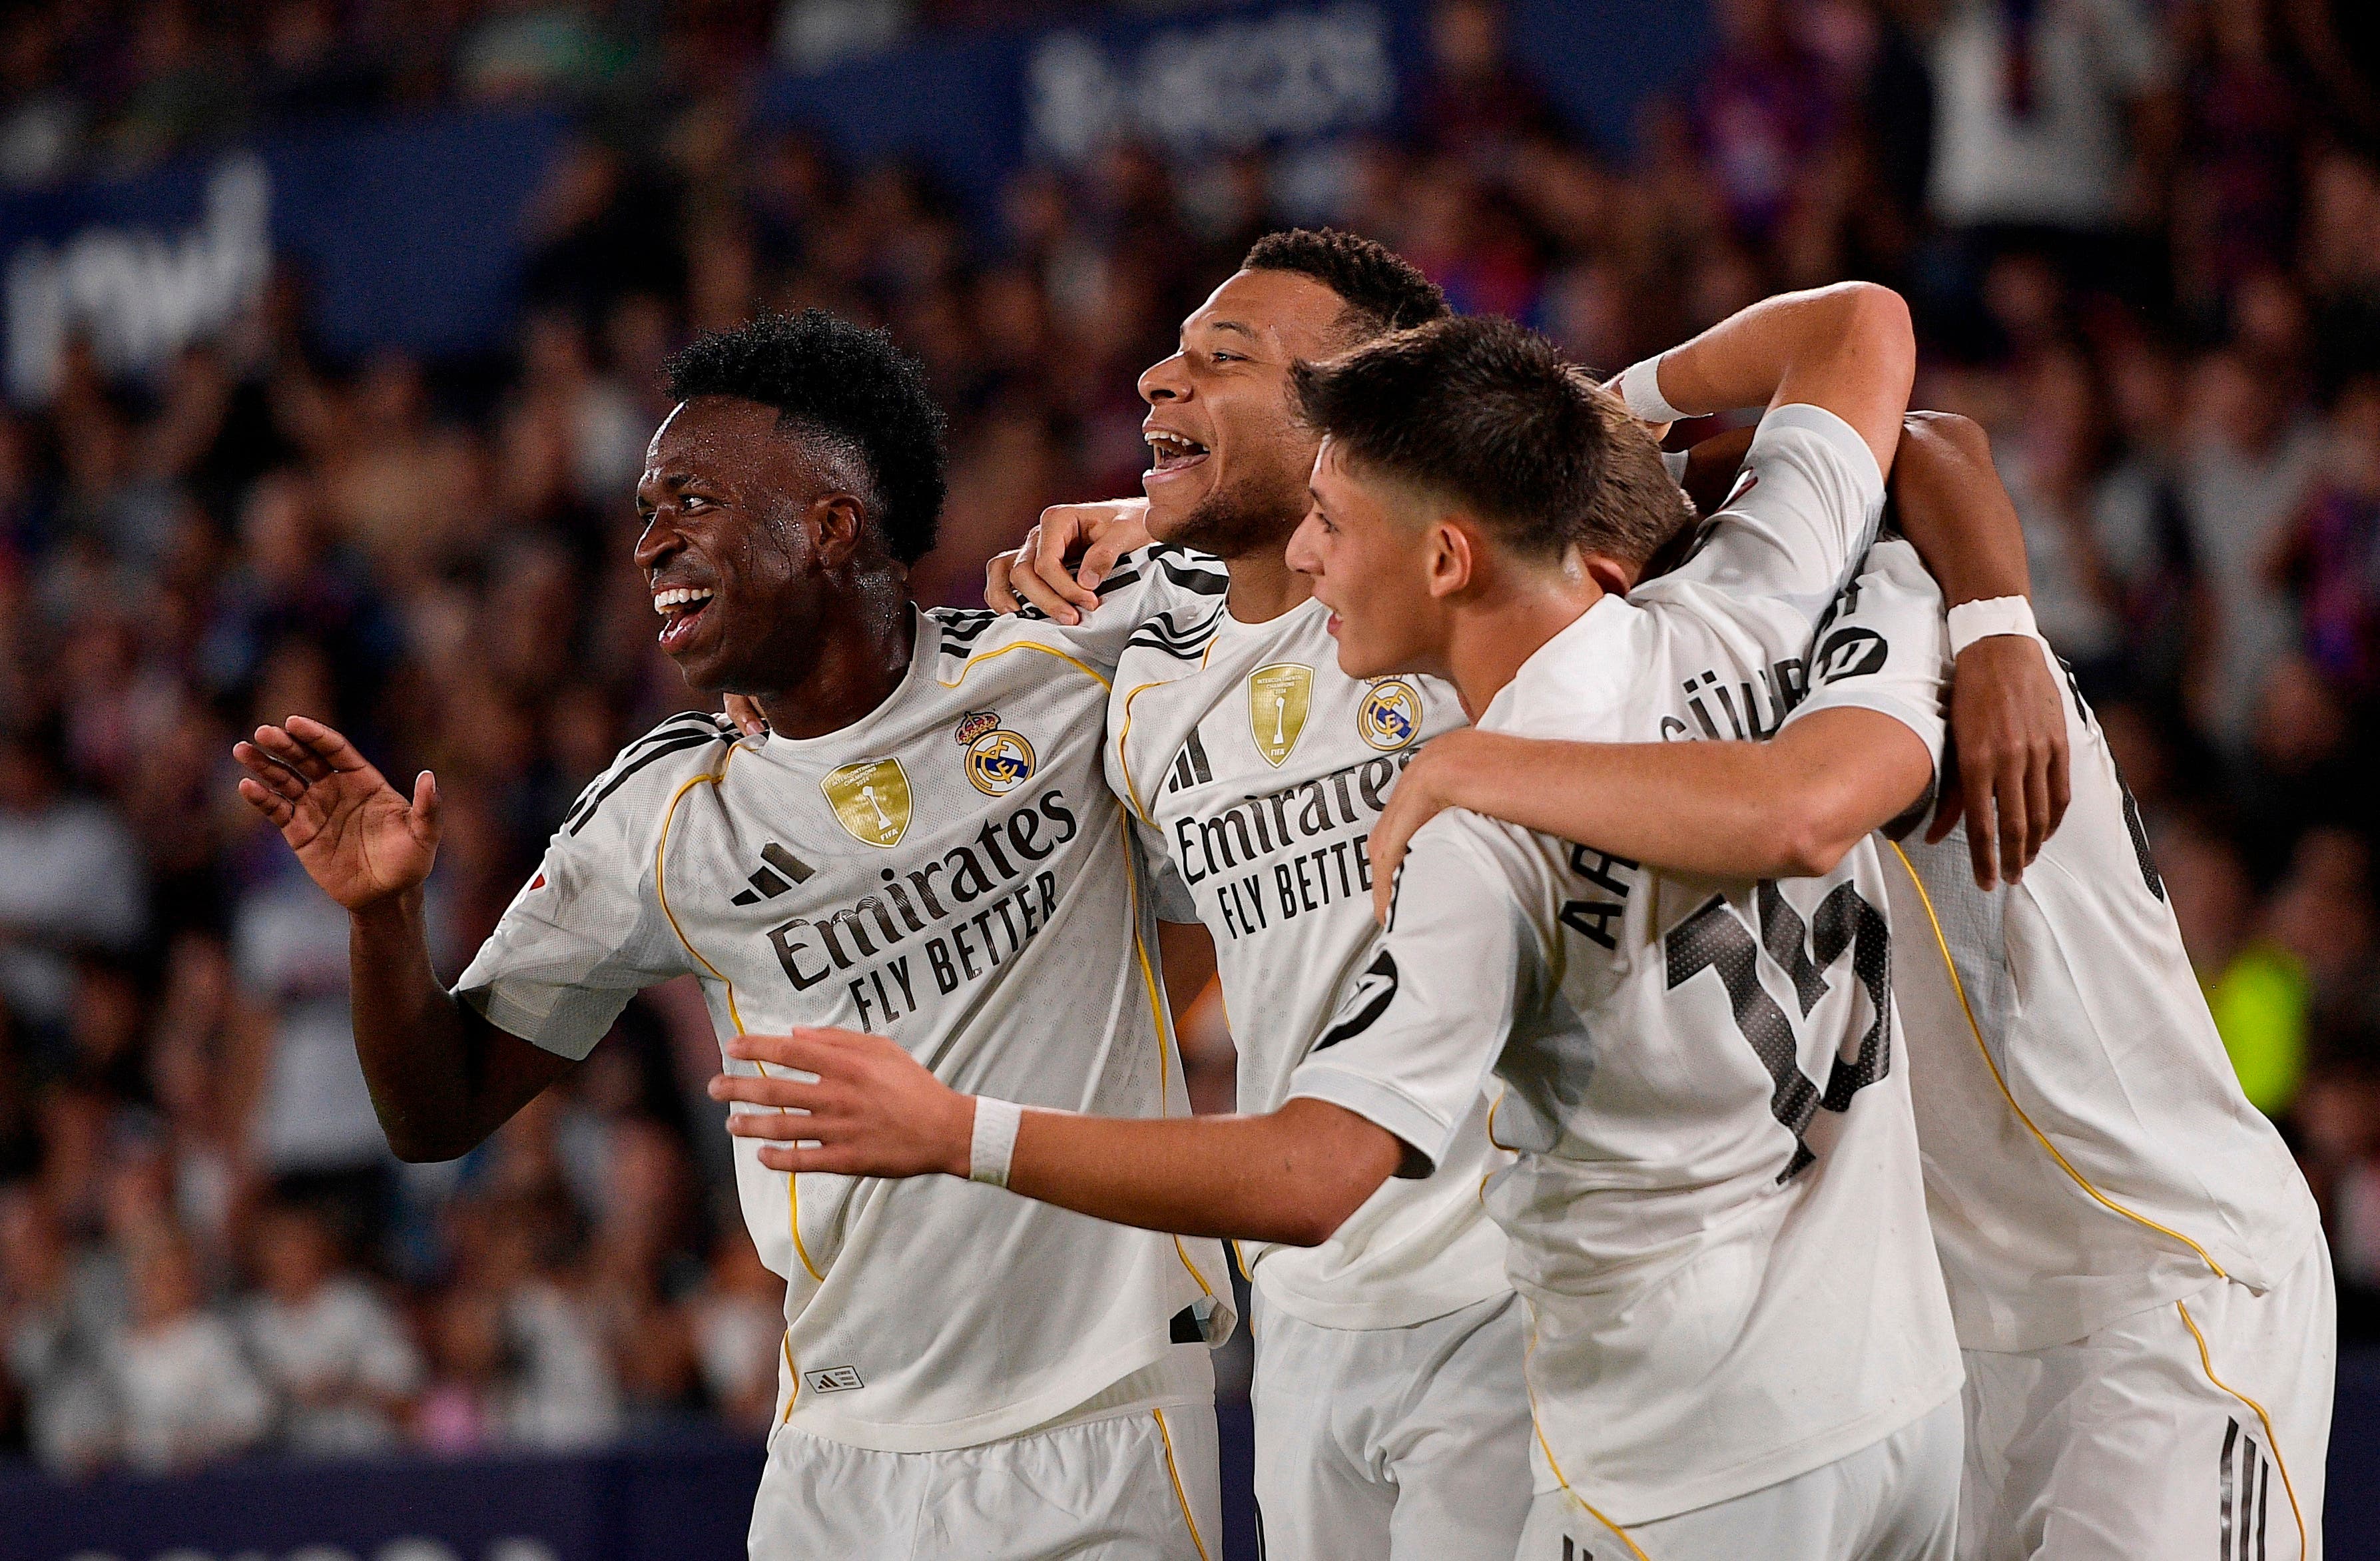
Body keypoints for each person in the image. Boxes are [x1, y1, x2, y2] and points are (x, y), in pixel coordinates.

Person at [715, 294, 1972, 1558]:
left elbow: (1315, 1175)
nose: (1307, 561)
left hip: (1680, 1457)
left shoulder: (1473, 849)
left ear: (1443, 562)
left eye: (1331, 521)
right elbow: (1862, 330)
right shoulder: (1747, 603)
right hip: (1894, 1397)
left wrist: (955, 1131)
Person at [229, 310, 1233, 1557]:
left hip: (1098, 1422)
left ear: (829, 524)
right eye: (646, 509)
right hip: (835, 1459)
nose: (649, 543)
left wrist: (1139, 520)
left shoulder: (1059, 668)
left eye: (690, 501)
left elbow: (1319, 536)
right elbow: (436, 1116)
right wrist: (385, 922)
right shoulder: (660, 818)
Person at [1368, 412, 2335, 1560]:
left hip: (2157, 1283)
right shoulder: (1687, 719)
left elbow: (1925, 437)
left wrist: (1994, 620)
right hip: (1947, 1333)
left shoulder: (1893, 609)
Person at [1032, 228, 1536, 1558]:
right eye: (1175, 352)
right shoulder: (1137, 664)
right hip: (1304, 1309)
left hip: (1514, 1280)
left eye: (1221, 357)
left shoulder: (1472, 578)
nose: (1156, 377)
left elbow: (1771, 442)